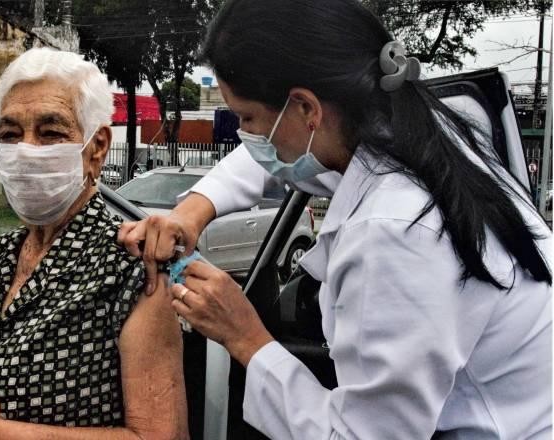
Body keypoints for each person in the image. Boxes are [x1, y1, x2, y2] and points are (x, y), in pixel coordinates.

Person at [118, 0, 553, 438]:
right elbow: (269, 157)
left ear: (307, 108)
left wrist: (246, 337)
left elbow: (363, 435)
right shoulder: (428, 139)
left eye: (248, 118)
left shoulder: (395, 231)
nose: (249, 138)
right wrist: (191, 214)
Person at [0, 47, 188, 439]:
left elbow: (160, 435)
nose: (27, 150)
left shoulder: (131, 268)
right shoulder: (0, 256)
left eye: (50, 133)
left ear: (96, 148)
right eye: (11, 135)